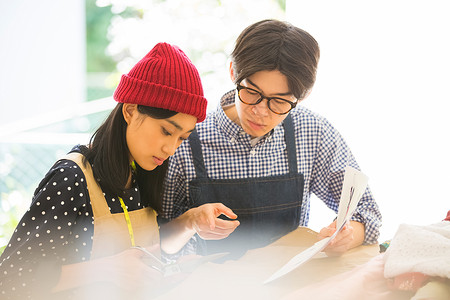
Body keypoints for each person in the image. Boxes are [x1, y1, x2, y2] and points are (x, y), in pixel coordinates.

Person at [0, 42, 238, 299]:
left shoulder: (144, 171)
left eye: (182, 138)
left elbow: (147, 251)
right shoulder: (72, 178)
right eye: (166, 131)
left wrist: (190, 223)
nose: (171, 148)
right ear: (130, 110)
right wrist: (105, 270)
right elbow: (11, 278)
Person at [161, 19, 382, 259]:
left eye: (279, 101)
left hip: (289, 287)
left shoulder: (310, 131)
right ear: (233, 72)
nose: (261, 111)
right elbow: (156, 244)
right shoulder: (186, 137)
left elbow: (366, 210)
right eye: (252, 92)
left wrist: (349, 234)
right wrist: (189, 222)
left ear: (301, 97)